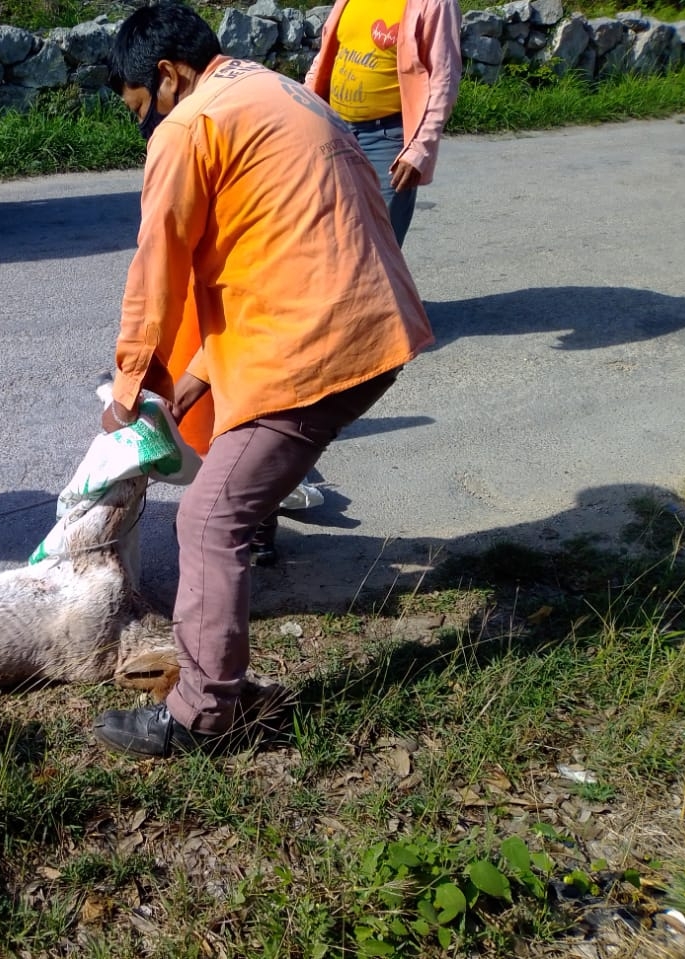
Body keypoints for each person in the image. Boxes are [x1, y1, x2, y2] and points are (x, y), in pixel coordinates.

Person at [92, 3, 434, 758]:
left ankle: (203, 715)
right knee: (230, 500)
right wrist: (200, 372)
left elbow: (157, 269)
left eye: (139, 110)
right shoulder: (270, 91)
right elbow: (277, 243)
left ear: (166, 76)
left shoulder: (188, 125)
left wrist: (130, 391)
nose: (143, 127)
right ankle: (215, 680)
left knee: (211, 520)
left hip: (321, 343)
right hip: (368, 322)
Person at [305, 0, 461, 246]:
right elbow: (326, 54)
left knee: (379, 246)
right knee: (329, 238)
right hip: (334, 130)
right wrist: (303, 105)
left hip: (387, 139)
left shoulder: (436, 3)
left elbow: (444, 79)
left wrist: (419, 149)